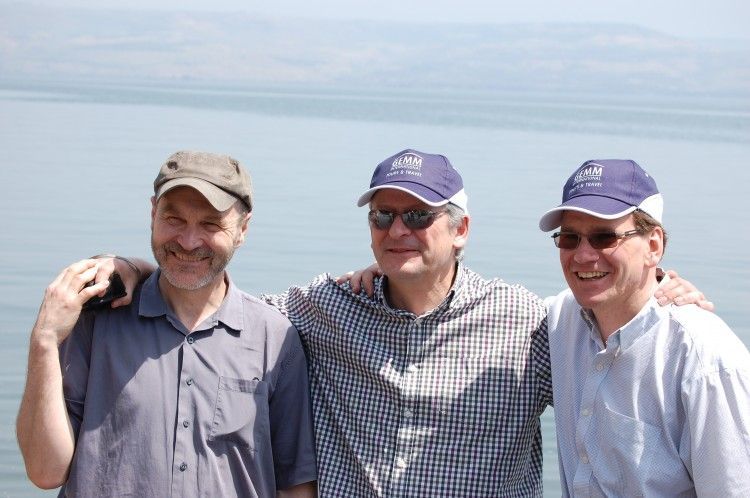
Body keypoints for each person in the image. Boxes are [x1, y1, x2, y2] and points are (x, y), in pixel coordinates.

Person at [89, 149, 706, 497]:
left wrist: (658, 284)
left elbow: (605, 344)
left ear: (460, 230)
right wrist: (135, 269)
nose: (397, 230)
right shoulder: (320, 308)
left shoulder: (528, 323)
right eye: (383, 217)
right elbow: (213, 301)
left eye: (417, 215)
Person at [16, 151, 317, 497]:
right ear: (152, 214)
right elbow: (45, 471)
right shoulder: (95, 319)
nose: (189, 242)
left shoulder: (275, 339)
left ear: (243, 229)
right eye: (174, 219)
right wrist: (44, 341)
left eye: (210, 224)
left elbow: (295, 484)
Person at [539, 159, 750, 496]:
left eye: (604, 237)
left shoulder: (707, 359)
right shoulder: (558, 321)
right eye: (569, 238)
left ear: (654, 246)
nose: (582, 255)